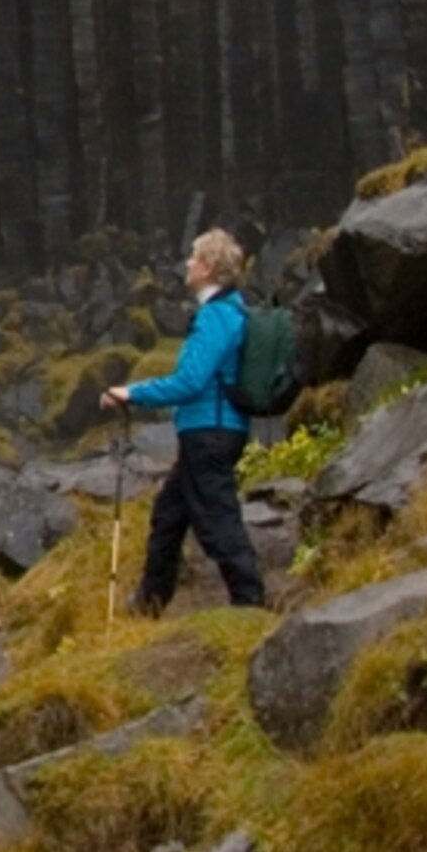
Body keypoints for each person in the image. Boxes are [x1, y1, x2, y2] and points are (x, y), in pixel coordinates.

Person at [102, 228, 268, 616]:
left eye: (193, 258)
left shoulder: (216, 317)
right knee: (169, 515)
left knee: (218, 520)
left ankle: (250, 603)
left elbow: (190, 382)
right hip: (210, 431)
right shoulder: (228, 312)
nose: (187, 265)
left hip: (209, 433)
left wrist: (132, 393)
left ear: (209, 268)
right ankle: (149, 602)